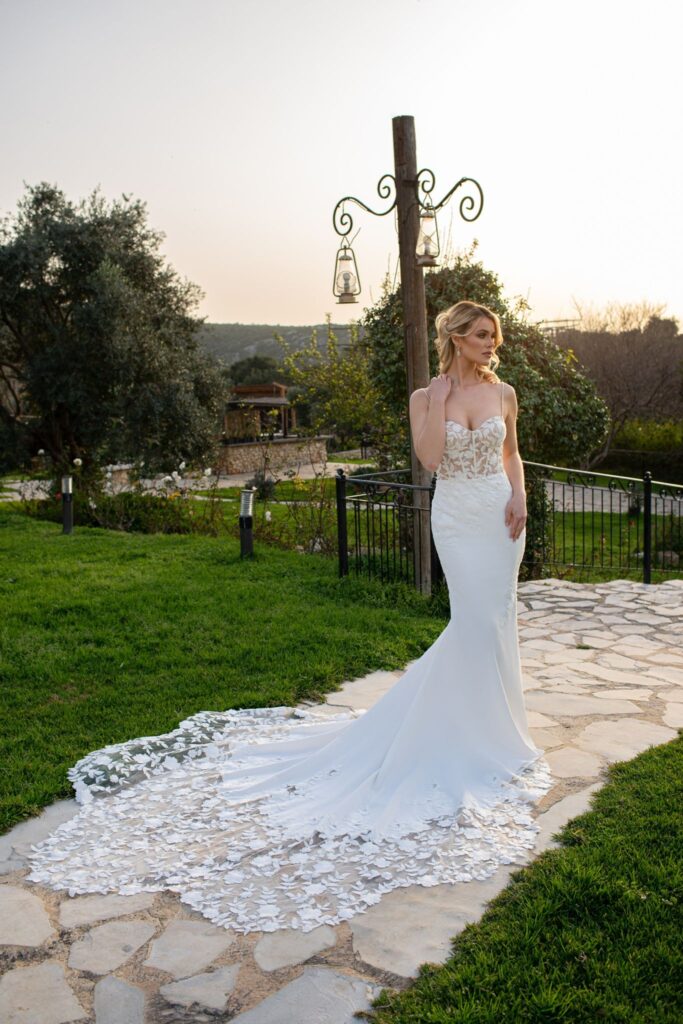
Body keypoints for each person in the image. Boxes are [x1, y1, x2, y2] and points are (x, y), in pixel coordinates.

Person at [28, 300, 552, 935]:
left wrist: (520, 495)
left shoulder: (507, 393)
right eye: (480, 335)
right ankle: (450, 739)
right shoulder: (425, 395)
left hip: (500, 519)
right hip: (457, 518)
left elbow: (513, 455)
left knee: (494, 623)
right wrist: (441, 398)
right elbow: (435, 460)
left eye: (494, 335)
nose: (491, 343)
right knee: (470, 623)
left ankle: (498, 735)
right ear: (455, 339)